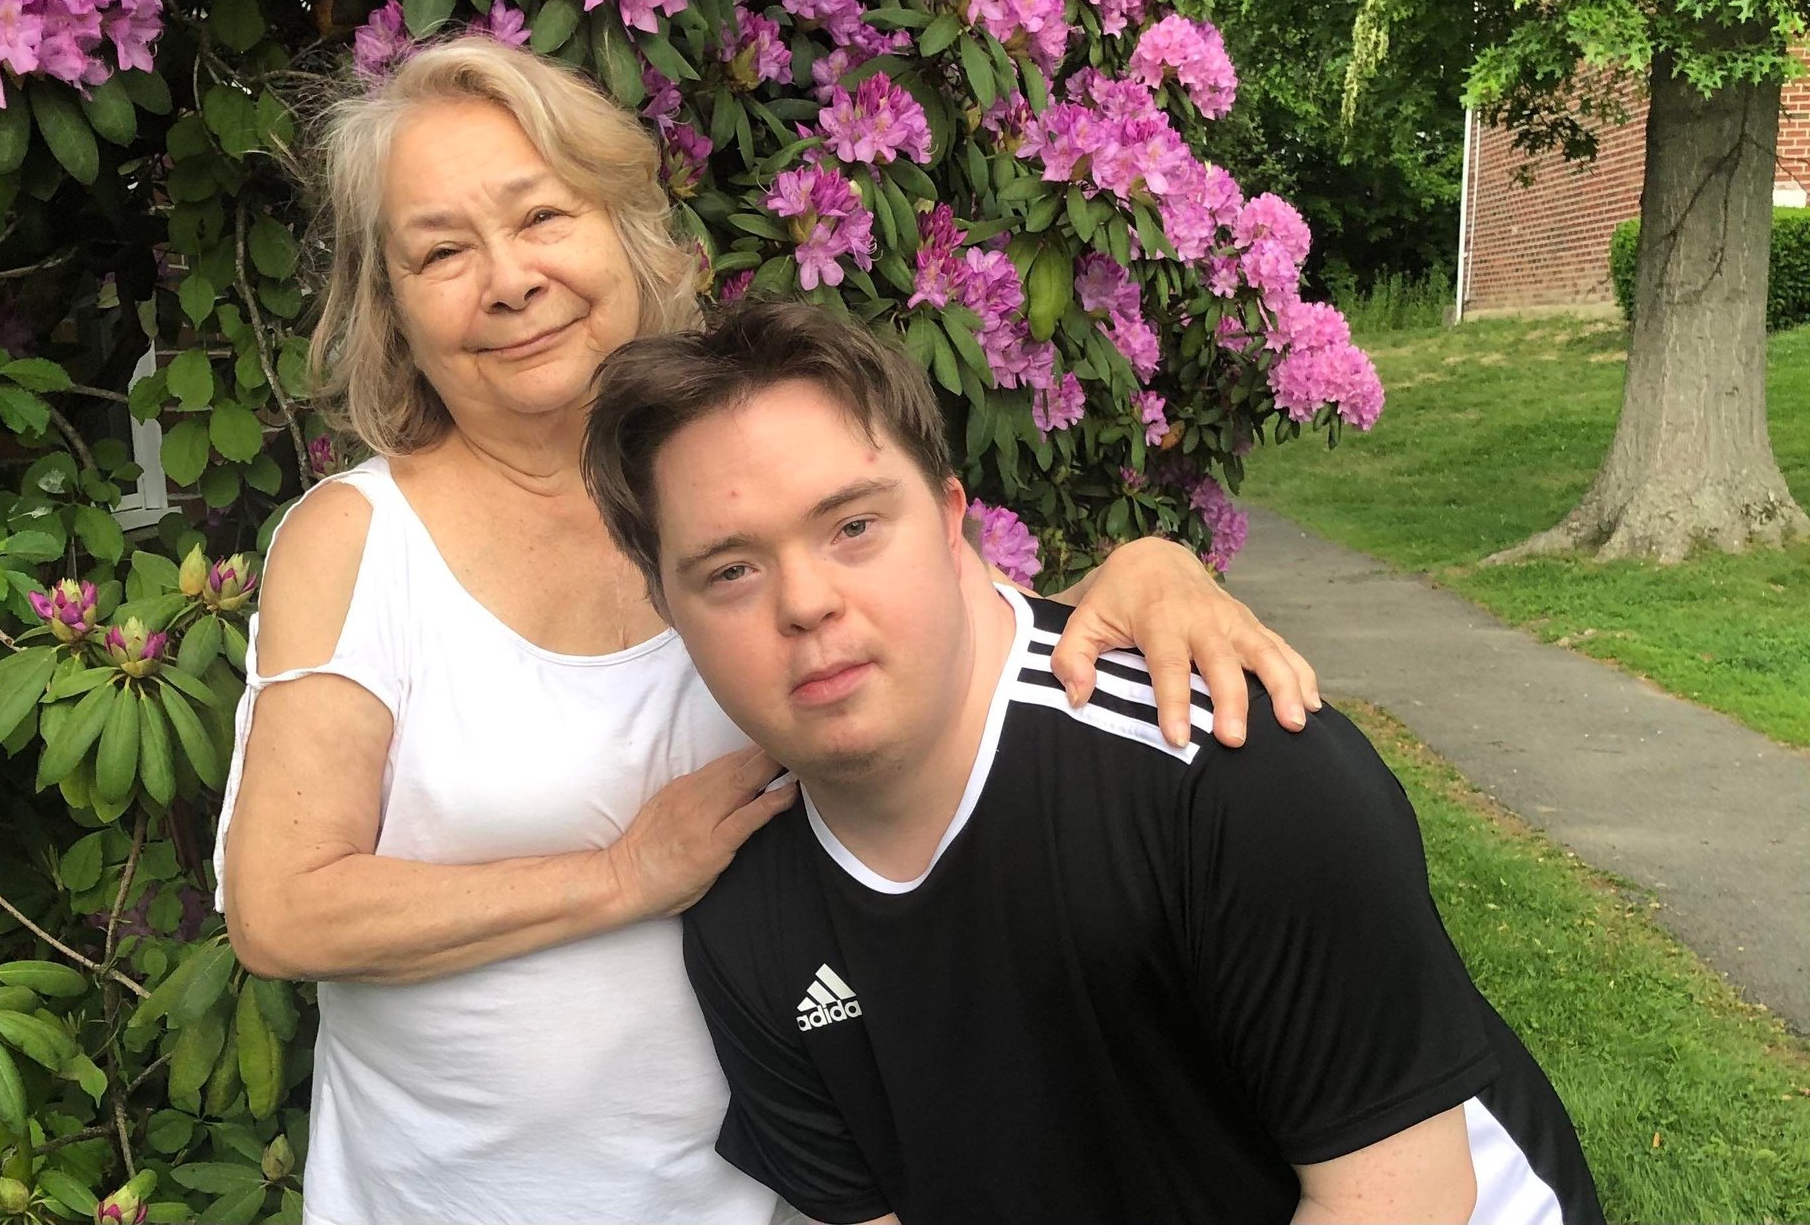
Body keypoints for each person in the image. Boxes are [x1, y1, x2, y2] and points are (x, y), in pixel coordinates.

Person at [213, 36, 1324, 1225]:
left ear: (626, 232)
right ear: (390, 307)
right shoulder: (355, 540)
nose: (506, 279)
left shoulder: (741, 477)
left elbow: (952, 649)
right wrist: (615, 877)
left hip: (801, 1192)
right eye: (440, 250)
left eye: (542, 216)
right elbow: (283, 906)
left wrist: (1149, 568)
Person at [582, 300, 1606, 1225]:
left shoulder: (1226, 774)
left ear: (949, 522)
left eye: (852, 525)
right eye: (728, 569)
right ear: (668, 608)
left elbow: (1400, 1201)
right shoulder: (747, 907)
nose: (802, 601)